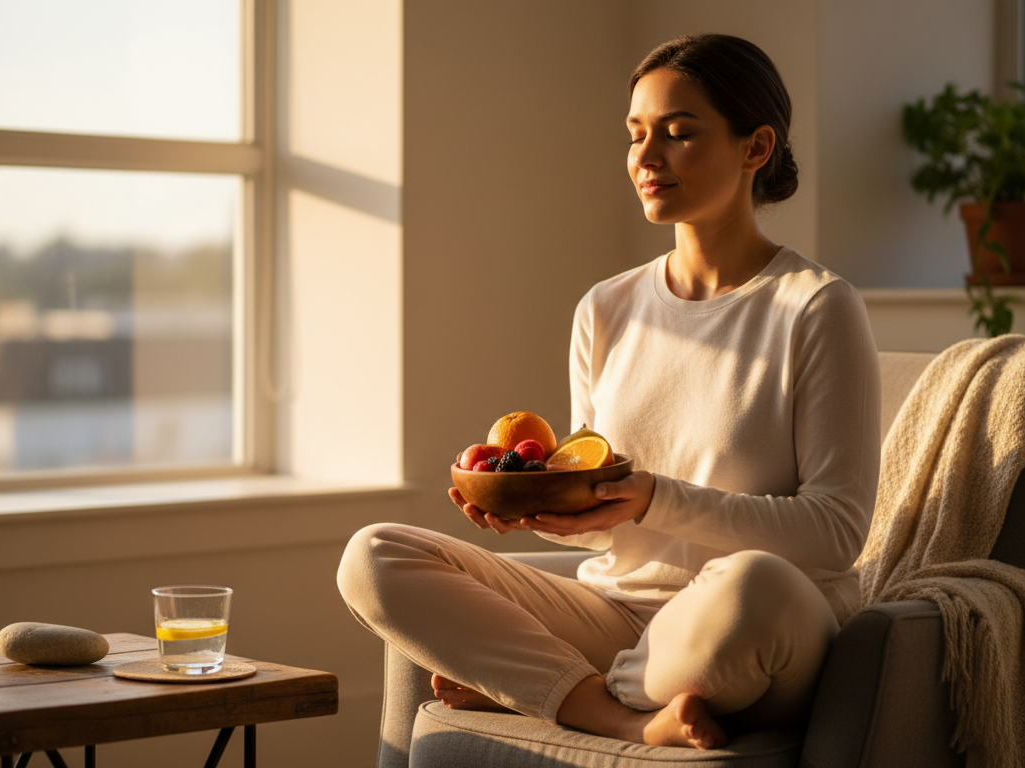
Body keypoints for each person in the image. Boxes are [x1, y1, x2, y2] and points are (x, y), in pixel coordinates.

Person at [337, 33, 880, 750]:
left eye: (678, 134)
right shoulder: (606, 307)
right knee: (374, 554)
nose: (646, 158)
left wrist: (661, 497)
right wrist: (546, 508)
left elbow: (838, 534)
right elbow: (606, 523)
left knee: (754, 586)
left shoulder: (815, 306)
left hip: (744, 621)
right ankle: (615, 711)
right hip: (614, 609)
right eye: (635, 136)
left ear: (755, 149)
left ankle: (535, 687)